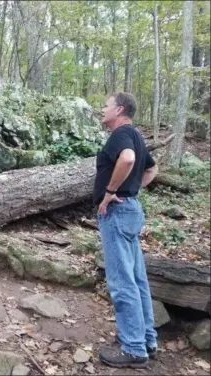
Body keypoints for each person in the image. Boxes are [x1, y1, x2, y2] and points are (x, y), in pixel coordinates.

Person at [93, 92, 159, 369]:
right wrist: (132, 190)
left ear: (119, 110)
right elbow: (152, 169)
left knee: (122, 282)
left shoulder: (121, 135)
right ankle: (147, 340)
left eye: (106, 106)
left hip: (118, 214)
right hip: (130, 209)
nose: (102, 110)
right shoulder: (136, 135)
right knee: (137, 278)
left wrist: (111, 192)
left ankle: (133, 349)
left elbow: (129, 160)